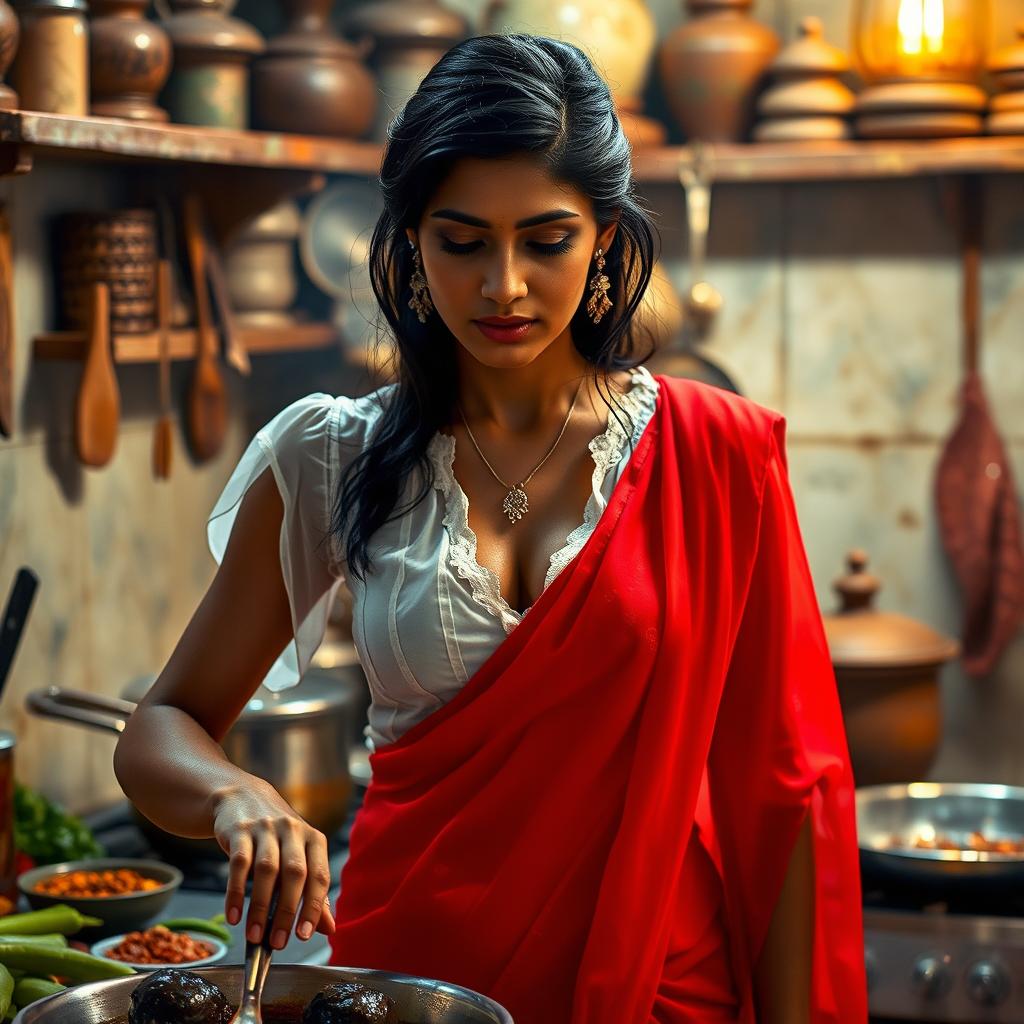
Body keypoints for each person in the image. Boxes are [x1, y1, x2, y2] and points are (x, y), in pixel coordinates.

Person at [113, 33, 866, 1024]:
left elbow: (787, 798)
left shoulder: (714, 455)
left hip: (652, 990)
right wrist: (229, 792)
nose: (503, 286)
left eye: (545, 240)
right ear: (411, 245)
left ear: (602, 236)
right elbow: (158, 730)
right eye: (462, 241)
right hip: (405, 992)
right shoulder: (333, 456)